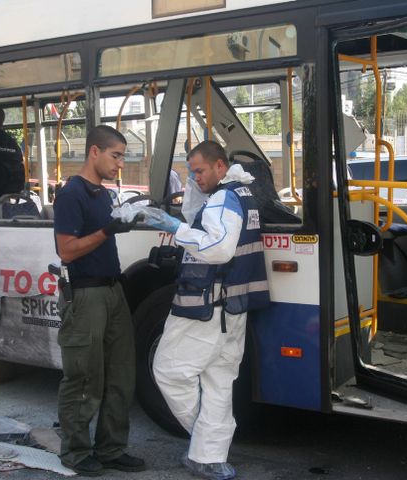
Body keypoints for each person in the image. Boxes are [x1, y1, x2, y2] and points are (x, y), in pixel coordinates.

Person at [149, 140, 269, 480]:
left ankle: (205, 443)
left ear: (220, 166)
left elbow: (218, 248)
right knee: (218, 381)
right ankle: (209, 457)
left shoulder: (222, 198)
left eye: (199, 171)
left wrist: (176, 229)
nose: (195, 177)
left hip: (207, 309)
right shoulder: (245, 193)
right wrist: (192, 197)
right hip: (233, 310)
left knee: (169, 372)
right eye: (190, 172)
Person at [53, 125, 145, 477]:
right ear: (94, 152)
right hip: (86, 293)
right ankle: (75, 453)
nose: (120, 164)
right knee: (84, 377)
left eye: (122, 156)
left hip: (113, 290)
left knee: (121, 374)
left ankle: (111, 449)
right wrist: (108, 230)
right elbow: (66, 250)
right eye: (116, 155)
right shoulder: (72, 194)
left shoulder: (104, 195)